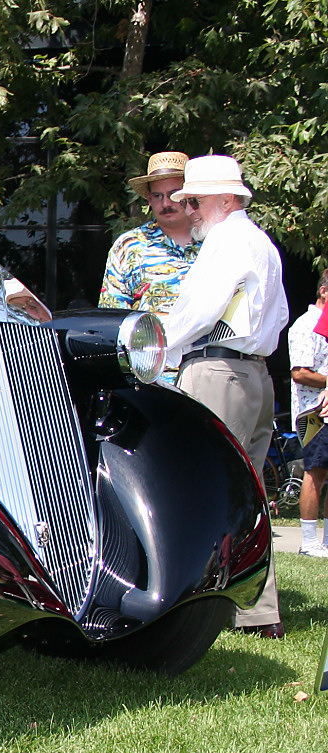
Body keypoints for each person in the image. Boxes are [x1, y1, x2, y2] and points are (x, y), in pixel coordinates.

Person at [162, 154, 289, 638]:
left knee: (205, 488)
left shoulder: (227, 242)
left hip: (218, 369)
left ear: (225, 199)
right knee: (246, 496)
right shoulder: (260, 244)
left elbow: (197, 312)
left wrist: (152, 349)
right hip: (254, 376)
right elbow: (276, 318)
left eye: (193, 199)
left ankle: (198, 610)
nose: (188, 209)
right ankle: (256, 612)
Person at [98, 151, 198, 322]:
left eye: (173, 194)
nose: (166, 203)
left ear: (189, 195)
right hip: (149, 346)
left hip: (210, 347)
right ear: (149, 199)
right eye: (157, 196)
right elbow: (111, 317)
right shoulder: (129, 246)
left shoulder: (216, 240)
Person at [288, 270, 328, 558]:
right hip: (313, 414)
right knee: (315, 473)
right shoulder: (306, 326)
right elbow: (300, 372)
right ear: (324, 291)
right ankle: (310, 542)